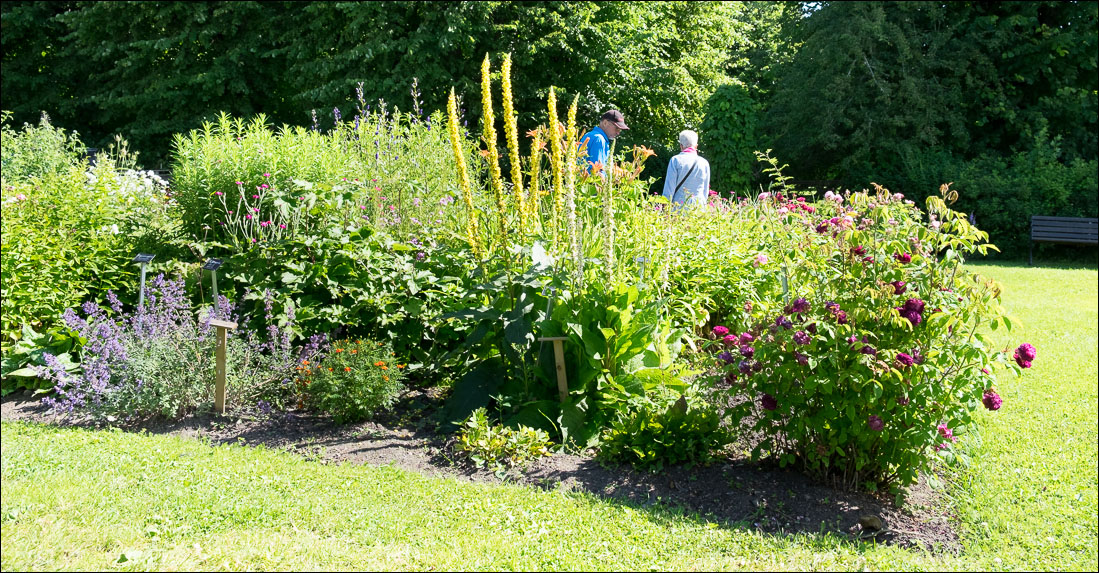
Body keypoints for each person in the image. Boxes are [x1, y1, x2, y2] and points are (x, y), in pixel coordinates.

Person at [661, 130, 710, 207]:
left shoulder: (675, 160)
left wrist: (664, 206)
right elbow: (705, 191)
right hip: (698, 207)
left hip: (678, 207)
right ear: (696, 146)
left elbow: (669, 187)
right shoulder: (704, 163)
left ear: (681, 145)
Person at [578, 109, 629, 176]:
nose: (618, 132)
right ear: (605, 123)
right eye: (616, 128)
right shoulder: (599, 139)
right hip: (590, 183)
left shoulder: (589, 134)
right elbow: (598, 171)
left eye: (620, 130)